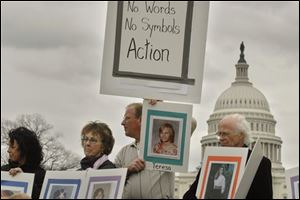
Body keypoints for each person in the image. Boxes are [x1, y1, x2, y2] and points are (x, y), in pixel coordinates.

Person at [115, 102, 198, 198]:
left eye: (127, 118)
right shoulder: (123, 152)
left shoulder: (166, 148)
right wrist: (128, 170)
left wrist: (159, 108)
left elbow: (191, 122)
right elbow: (112, 180)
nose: (122, 123)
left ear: (141, 119)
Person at [183, 114, 273, 199]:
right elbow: (190, 195)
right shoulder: (211, 161)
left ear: (241, 135)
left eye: (225, 134)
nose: (221, 138)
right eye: (219, 134)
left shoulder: (259, 163)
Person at [1, 127, 45, 199]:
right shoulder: (3, 170)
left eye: (12, 147)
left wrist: (25, 178)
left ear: (24, 149)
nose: (8, 150)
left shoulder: (41, 175)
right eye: (9, 146)